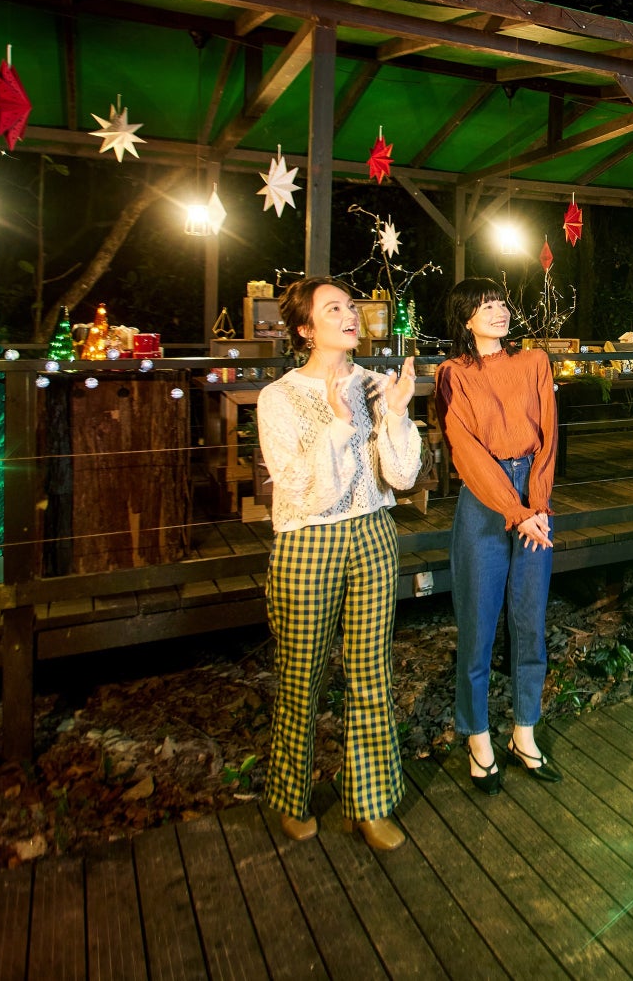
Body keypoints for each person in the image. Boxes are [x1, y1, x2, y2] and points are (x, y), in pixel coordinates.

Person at [256, 277, 421, 850]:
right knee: (301, 676)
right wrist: (337, 422)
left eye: (351, 306)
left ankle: (368, 804)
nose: (351, 315)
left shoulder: (377, 385)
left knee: (372, 674)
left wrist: (396, 417)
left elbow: (401, 477)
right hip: (308, 543)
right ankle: (291, 795)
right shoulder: (278, 398)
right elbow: (303, 492)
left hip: (374, 533)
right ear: (305, 329)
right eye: (334, 309)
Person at [434, 277, 561, 792]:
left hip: (533, 495)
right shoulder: (452, 375)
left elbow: (549, 437)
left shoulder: (534, 362)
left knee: (530, 623)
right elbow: (464, 450)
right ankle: (478, 737)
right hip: (484, 502)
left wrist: (537, 504)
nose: (499, 310)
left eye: (502, 302)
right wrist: (514, 510)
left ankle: (524, 732)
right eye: (485, 305)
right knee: (479, 627)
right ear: (465, 318)